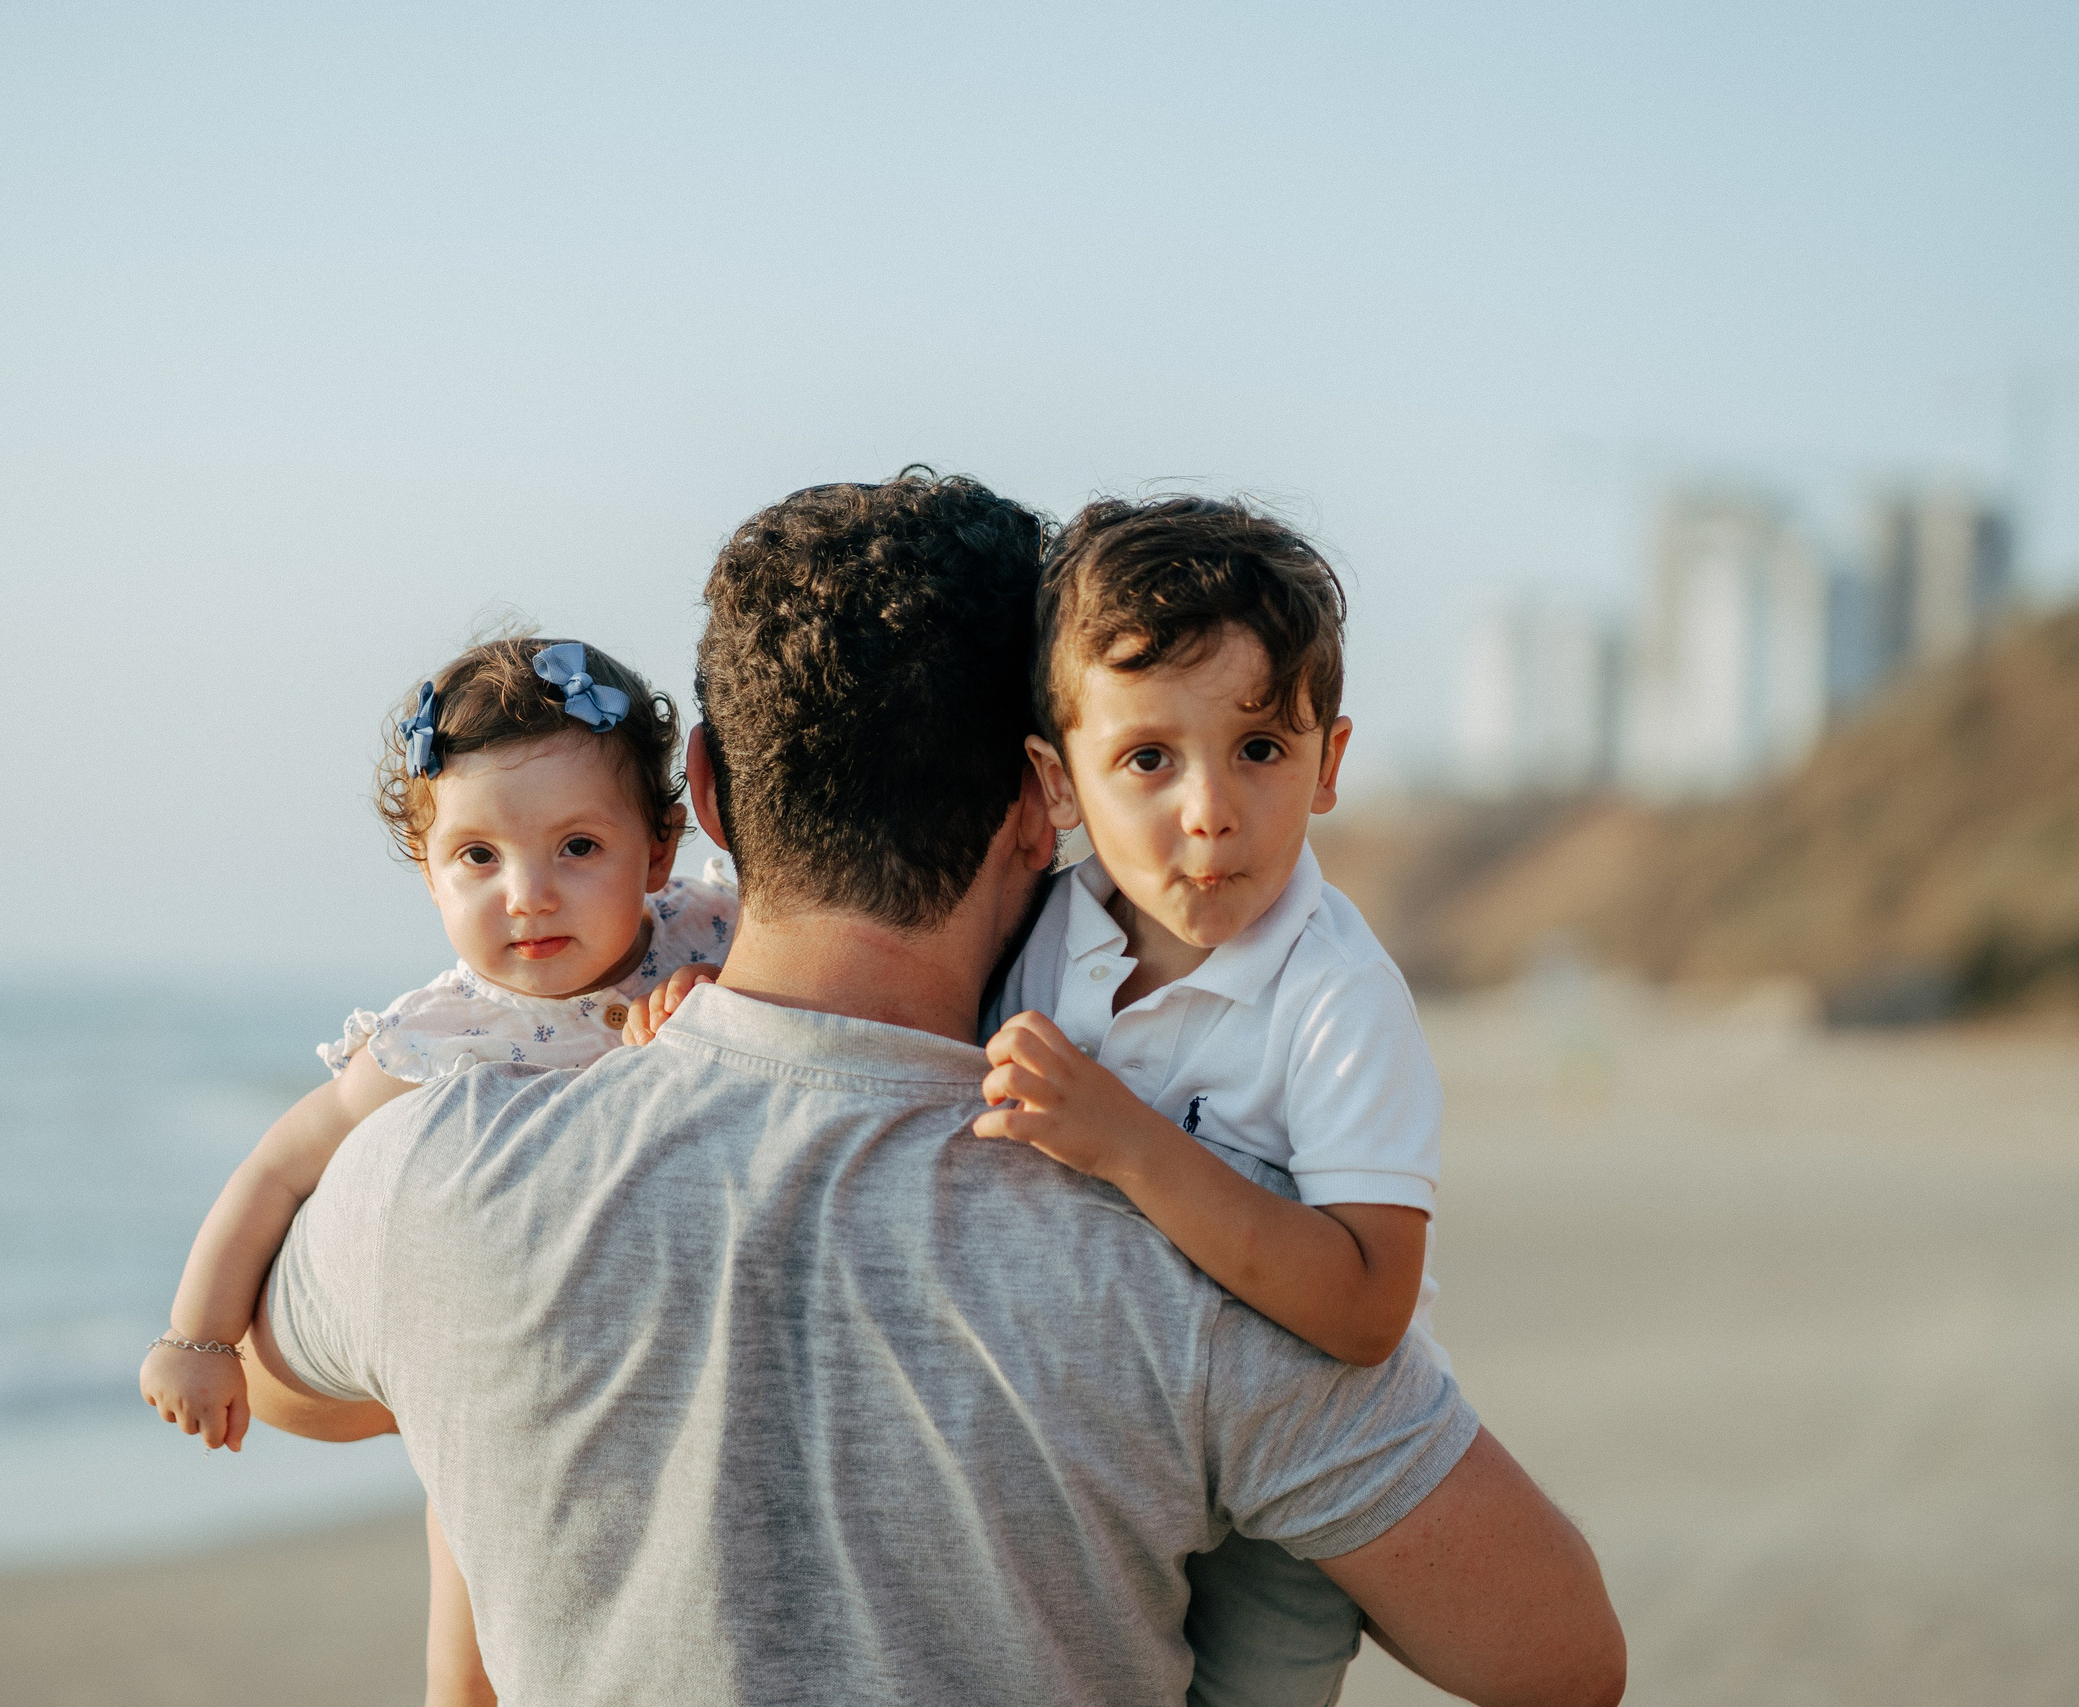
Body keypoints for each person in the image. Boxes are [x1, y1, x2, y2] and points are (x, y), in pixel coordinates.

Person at [243, 472, 1626, 1705]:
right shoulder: (1192, 1256)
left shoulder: (441, 1171)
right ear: (1046, 798)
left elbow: (270, 1371)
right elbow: (1561, 1654)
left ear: (709, 796)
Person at [136, 634, 733, 1706]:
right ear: (428, 871)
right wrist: (198, 1337)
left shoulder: (714, 937)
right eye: (478, 859)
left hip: (650, 1375)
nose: (528, 895)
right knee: (466, 1671)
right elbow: (279, 1169)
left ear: (657, 851)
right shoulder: (443, 1037)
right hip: (495, 1404)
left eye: (578, 849)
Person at [976, 494, 1456, 1701]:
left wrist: (1132, 1145)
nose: (1209, 810)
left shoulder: (1336, 994)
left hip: (1286, 1502)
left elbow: (1364, 1310)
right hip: (1094, 1453)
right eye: (1146, 758)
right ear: (1057, 780)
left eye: (1258, 749)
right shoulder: (1034, 930)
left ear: (1327, 763)